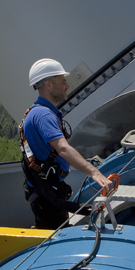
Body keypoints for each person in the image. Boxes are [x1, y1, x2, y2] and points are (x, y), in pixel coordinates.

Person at [20, 58, 112, 229]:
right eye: (62, 81)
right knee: (55, 237)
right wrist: (93, 172)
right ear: (48, 85)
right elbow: (62, 148)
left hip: (45, 192)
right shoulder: (44, 115)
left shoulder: (37, 112)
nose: (67, 86)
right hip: (47, 195)